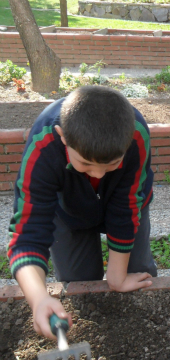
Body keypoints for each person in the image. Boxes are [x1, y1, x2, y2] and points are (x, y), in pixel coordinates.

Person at [6, 86, 156, 339]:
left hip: (124, 206)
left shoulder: (136, 134)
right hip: (67, 212)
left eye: (111, 165)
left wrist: (117, 277)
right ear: (63, 137)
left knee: (137, 270)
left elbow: (126, 204)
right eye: (85, 163)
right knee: (79, 280)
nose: (97, 174)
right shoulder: (43, 145)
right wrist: (39, 298)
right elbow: (28, 235)